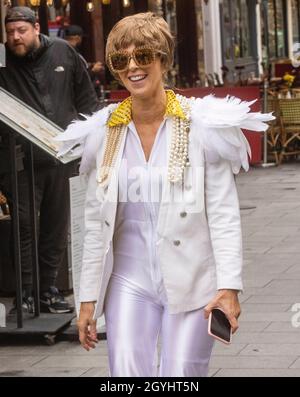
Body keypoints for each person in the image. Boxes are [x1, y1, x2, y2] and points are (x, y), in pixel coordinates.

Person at [57, 12, 273, 376]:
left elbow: (223, 214)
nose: (132, 67)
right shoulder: (103, 134)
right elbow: (96, 224)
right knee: (127, 374)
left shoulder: (202, 126)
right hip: (128, 279)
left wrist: (230, 286)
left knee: (181, 375)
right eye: (120, 60)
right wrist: (87, 299)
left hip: (193, 281)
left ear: (163, 60)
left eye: (143, 56)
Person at [0, 7, 99, 314]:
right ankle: (25, 293)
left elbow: (86, 99)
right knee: (25, 226)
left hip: (62, 157)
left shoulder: (63, 53)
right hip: (18, 160)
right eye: (11, 31)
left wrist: (91, 141)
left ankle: (48, 290)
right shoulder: (1, 60)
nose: (16, 37)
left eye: (22, 31)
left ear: (37, 28)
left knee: (56, 226)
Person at [64, 25, 104, 97]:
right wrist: (94, 70)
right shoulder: (70, 53)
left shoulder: (70, 51)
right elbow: (78, 77)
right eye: (81, 37)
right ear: (77, 38)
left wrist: (90, 65)